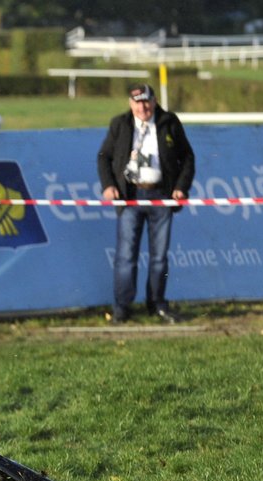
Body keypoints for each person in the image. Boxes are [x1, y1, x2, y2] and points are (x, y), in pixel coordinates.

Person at [97, 83, 195, 324]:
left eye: (146, 101)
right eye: (137, 102)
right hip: (130, 197)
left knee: (159, 256)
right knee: (126, 256)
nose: (143, 107)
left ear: (154, 101)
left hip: (161, 195)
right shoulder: (120, 124)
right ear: (131, 104)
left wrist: (181, 187)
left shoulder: (169, 122)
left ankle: (157, 305)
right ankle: (121, 309)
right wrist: (109, 185)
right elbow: (104, 157)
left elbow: (188, 157)